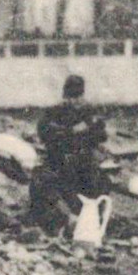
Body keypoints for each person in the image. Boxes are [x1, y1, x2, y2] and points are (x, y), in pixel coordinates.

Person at [32, 74, 108, 229]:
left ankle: (92, 220)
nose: (75, 101)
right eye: (71, 97)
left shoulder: (90, 112)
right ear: (66, 96)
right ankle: (68, 218)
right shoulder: (54, 112)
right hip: (60, 160)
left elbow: (101, 135)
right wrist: (72, 131)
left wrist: (88, 130)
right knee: (46, 185)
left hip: (83, 162)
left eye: (78, 97)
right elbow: (45, 133)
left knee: (98, 185)